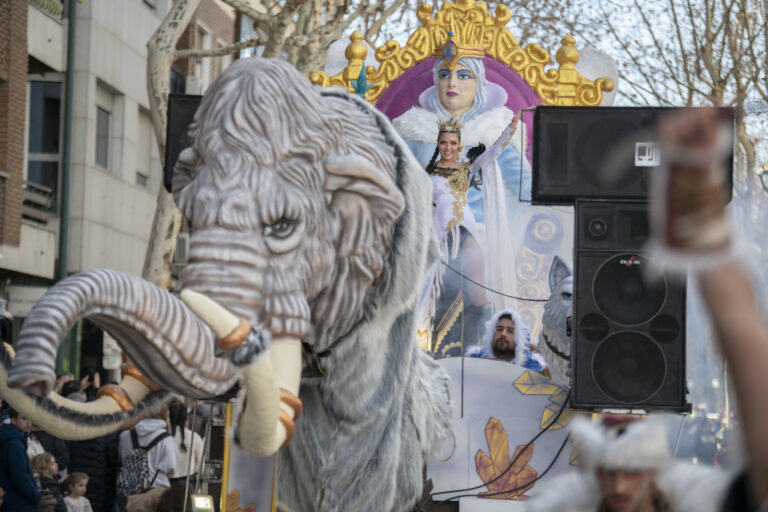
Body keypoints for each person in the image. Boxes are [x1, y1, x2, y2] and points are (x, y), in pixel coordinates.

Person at [117, 408, 179, 511]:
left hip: (128, 492)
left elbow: (123, 459)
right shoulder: (166, 439)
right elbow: (171, 468)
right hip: (156, 492)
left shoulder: (125, 435)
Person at [467, 309, 549, 376]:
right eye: (499, 329)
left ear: (519, 339)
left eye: (510, 331)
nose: (503, 334)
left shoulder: (530, 368)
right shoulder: (476, 360)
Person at [0, 407, 41, 511]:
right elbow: (19, 475)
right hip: (19, 502)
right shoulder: (14, 443)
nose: (28, 422)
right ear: (13, 420)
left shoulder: (11, 439)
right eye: (24, 418)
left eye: (30, 419)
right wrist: (35, 495)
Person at [167, 400, 203, 488]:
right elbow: (201, 467)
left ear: (169, 417)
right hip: (189, 484)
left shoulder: (163, 437)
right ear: (186, 418)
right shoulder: (194, 437)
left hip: (166, 484)